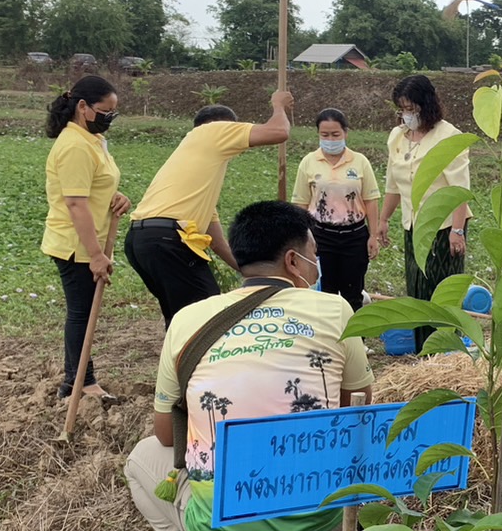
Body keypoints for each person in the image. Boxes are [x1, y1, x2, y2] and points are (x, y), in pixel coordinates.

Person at [124, 200, 374, 531]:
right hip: (323, 523)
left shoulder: (188, 320)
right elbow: (357, 413)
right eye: (313, 254)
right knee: (352, 437)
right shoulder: (335, 309)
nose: (316, 264)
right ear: (293, 261)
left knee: (142, 457)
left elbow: (167, 434)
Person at [125, 90, 295, 326]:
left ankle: (179, 350)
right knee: (209, 317)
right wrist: (279, 105)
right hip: (167, 240)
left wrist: (249, 271)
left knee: (183, 317)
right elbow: (278, 132)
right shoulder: (213, 130)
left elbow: (216, 241)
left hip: (142, 241)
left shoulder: (195, 177)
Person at [39, 75, 132, 401]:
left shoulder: (91, 140)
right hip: (75, 245)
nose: (109, 118)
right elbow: (76, 204)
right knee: (81, 313)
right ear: (82, 107)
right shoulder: (75, 146)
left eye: (112, 113)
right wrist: (95, 255)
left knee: (84, 311)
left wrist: (116, 196)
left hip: (88, 241)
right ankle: (79, 382)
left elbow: (95, 185)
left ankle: (77, 379)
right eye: (104, 111)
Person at [375, 75, 470, 349]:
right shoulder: (397, 136)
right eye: (402, 109)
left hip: (444, 226)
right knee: (417, 289)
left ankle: (444, 352)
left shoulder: (448, 136)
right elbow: (393, 184)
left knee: (440, 292)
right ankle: (424, 352)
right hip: (413, 225)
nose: (407, 115)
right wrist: (383, 219)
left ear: (427, 105)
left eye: (411, 109)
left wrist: (457, 230)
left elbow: (460, 188)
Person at [291, 108, 382, 313]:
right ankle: (329, 332)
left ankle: (354, 332)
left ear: (345, 133)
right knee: (325, 293)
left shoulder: (359, 161)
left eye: (335, 134)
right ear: (318, 134)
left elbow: (371, 200)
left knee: (353, 293)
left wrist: (373, 236)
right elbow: (300, 203)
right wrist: (301, 238)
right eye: (325, 135)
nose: (330, 140)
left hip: (354, 236)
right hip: (321, 236)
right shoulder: (309, 162)